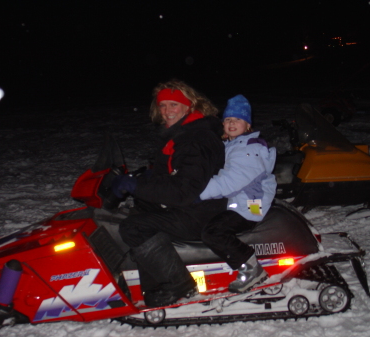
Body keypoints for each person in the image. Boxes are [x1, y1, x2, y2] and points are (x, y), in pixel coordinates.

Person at [112, 79, 227, 307]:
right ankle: (149, 279)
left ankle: (178, 283)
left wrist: (137, 186)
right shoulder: (182, 133)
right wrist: (144, 180)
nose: (167, 111)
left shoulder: (197, 138)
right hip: (189, 206)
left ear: (189, 106)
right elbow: (174, 173)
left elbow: (183, 190)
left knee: (133, 227)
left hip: (199, 213)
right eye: (162, 105)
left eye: (174, 105)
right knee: (137, 210)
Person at [199, 94, 277, 293]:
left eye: (238, 119)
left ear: (248, 125)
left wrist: (195, 192)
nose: (232, 123)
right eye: (228, 119)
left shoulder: (250, 149)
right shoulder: (232, 145)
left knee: (213, 232)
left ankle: (251, 267)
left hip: (250, 205)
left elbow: (229, 182)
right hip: (237, 200)